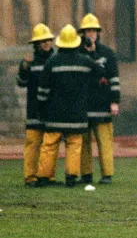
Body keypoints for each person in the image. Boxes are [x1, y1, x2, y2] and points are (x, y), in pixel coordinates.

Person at [35, 24, 105, 187]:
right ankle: (71, 177)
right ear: (76, 43)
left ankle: (43, 177)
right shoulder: (85, 61)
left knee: (49, 145)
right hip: (77, 114)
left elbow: (43, 89)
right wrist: (92, 52)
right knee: (74, 145)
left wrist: (42, 108)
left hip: (55, 114)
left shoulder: (52, 62)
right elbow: (101, 72)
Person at [77, 13, 120, 185]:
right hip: (83, 105)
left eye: (94, 31)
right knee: (83, 143)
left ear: (98, 33)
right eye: (88, 31)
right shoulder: (76, 53)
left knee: (105, 141)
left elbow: (114, 78)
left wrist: (115, 101)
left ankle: (107, 174)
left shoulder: (107, 53)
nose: (91, 34)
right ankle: (86, 174)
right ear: (83, 33)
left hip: (102, 105)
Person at [17, 23, 56, 187]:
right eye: (43, 41)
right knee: (33, 144)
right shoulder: (29, 63)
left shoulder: (56, 61)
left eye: (48, 40)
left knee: (50, 146)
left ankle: (47, 176)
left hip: (52, 109)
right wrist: (24, 67)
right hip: (34, 110)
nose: (46, 44)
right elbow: (21, 83)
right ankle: (30, 177)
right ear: (36, 44)